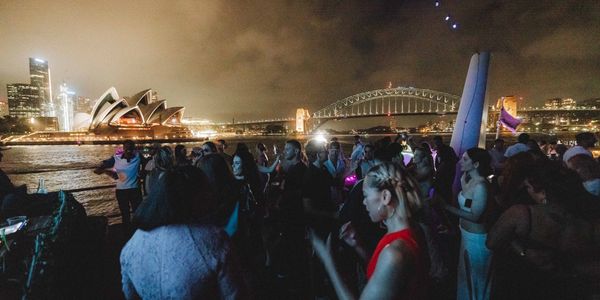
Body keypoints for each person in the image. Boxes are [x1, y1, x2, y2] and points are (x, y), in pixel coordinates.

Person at [121, 166, 244, 299]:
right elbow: (235, 294)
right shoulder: (213, 239)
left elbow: (129, 293)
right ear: (199, 197)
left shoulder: (132, 245)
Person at [311, 162, 428, 299]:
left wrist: (328, 260)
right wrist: (357, 245)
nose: (364, 202)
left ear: (385, 197)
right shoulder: (411, 230)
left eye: (366, 195)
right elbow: (383, 275)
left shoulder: (394, 252)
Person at [442, 147, 493, 300]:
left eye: (464, 159)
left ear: (476, 164)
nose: (460, 162)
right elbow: (468, 204)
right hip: (466, 235)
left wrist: (445, 207)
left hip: (476, 240)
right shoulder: (469, 180)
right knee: (466, 275)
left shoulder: (481, 187)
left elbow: (475, 216)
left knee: (475, 278)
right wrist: (463, 184)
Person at [94, 140, 142, 225]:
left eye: (130, 147)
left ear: (134, 148)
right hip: (124, 191)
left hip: (132, 190)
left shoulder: (138, 157)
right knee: (127, 214)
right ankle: (130, 233)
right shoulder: (116, 158)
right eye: (127, 147)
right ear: (123, 148)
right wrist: (104, 170)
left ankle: (133, 232)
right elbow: (99, 169)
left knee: (137, 213)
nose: (129, 149)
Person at [432, 135, 458, 204]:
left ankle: (447, 204)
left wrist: (436, 172)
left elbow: (444, 162)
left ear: (440, 141)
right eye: (435, 143)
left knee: (446, 189)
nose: (436, 144)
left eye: (437, 143)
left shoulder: (447, 149)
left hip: (447, 174)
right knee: (444, 189)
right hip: (444, 174)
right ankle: (444, 204)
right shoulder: (440, 149)